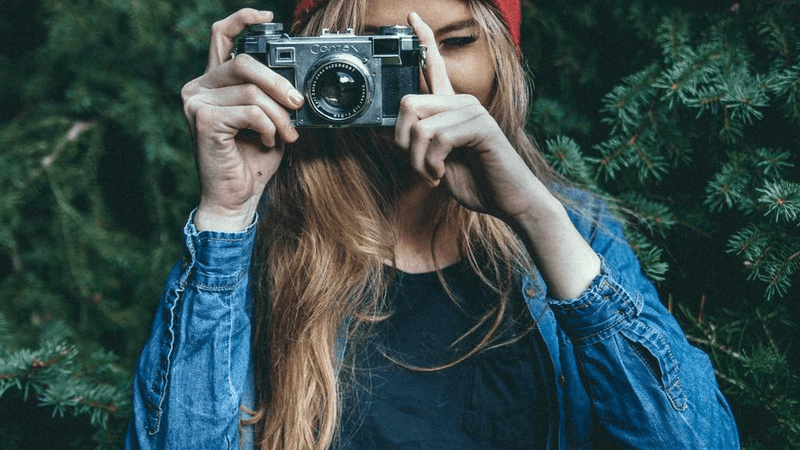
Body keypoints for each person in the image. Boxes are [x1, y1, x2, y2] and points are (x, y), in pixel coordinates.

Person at [126, 0, 741, 448]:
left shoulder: (575, 233)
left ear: (503, 54)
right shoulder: (249, 252)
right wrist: (226, 219)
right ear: (303, 65)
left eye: (453, 42)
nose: (424, 80)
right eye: (381, 51)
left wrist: (536, 217)